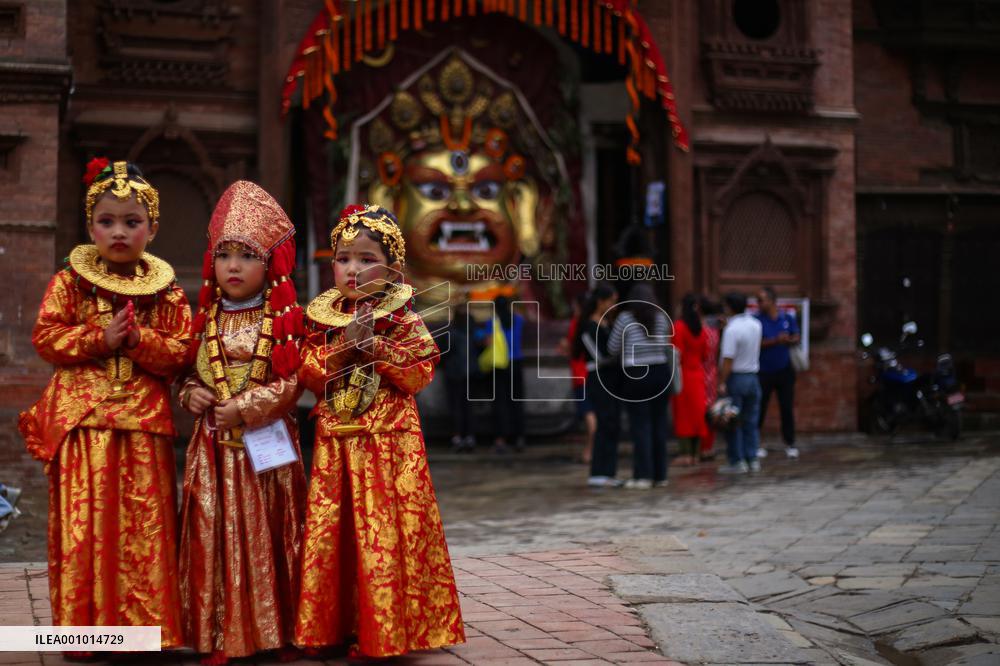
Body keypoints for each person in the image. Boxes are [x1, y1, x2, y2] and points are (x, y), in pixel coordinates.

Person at [18, 158, 190, 650]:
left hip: (143, 426)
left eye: (132, 222)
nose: (119, 232)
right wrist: (99, 337)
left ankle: (143, 636)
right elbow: (46, 338)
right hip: (84, 422)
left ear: (152, 229)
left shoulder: (168, 290)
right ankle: (84, 635)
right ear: (89, 226)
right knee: (85, 529)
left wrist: (137, 341)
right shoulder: (70, 282)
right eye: (107, 221)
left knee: (142, 529)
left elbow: (180, 352)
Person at [295, 205, 464, 658]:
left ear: (393, 269)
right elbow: (307, 373)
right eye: (344, 258)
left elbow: (420, 372)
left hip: (389, 442)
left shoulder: (404, 318)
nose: (352, 269)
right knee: (337, 533)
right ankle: (333, 626)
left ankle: (387, 629)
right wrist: (341, 349)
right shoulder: (322, 319)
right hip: (336, 438)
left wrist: (374, 347)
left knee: (385, 533)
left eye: (366, 259)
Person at [177, 181, 307, 665]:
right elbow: (188, 373)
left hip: (265, 456)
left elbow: (295, 382)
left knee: (270, 538)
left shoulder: (283, 319)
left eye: (247, 256)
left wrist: (248, 408)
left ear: (269, 264)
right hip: (211, 456)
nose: (233, 266)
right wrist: (192, 393)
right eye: (224, 255)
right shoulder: (205, 316)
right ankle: (216, 634)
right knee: (212, 536)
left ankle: (277, 632)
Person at [607, 283, 672, 489]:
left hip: (636, 374)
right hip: (661, 372)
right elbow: (665, 344)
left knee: (640, 426)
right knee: (659, 425)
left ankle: (643, 475)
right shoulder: (662, 317)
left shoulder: (625, 319)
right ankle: (660, 475)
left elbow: (612, 348)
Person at [573, 283, 621, 487]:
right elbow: (598, 355)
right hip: (598, 377)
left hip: (612, 378)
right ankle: (598, 471)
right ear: (601, 301)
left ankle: (609, 471)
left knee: (613, 424)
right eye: (610, 302)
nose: (613, 306)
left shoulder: (606, 324)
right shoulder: (588, 326)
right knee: (602, 424)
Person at [717, 292, 763, 474]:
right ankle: (752, 458)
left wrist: (721, 381)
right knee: (751, 420)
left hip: (736, 377)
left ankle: (737, 460)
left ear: (729, 307)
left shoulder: (732, 330)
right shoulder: (755, 324)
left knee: (732, 421)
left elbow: (728, 359)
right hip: (753, 375)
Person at [755, 286, 801, 459]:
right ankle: (756, 443)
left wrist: (789, 339)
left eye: (762, 300)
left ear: (772, 301)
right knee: (760, 408)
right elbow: (756, 343)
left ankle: (790, 443)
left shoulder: (787, 318)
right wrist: (775, 340)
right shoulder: (757, 321)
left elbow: (796, 336)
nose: (759, 303)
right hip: (764, 370)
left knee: (786, 407)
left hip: (784, 369)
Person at [671, 294, 710, 466]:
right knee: (697, 414)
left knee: (683, 415)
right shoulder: (701, 328)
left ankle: (684, 454)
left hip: (683, 375)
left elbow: (675, 352)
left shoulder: (679, 327)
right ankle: (695, 453)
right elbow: (705, 354)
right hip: (698, 375)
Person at [487, 294, 527, 453]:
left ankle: (501, 438)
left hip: (499, 365)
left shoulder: (492, 322)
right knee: (517, 401)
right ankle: (519, 437)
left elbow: (488, 341)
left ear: (495, 307)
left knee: (500, 402)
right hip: (516, 363)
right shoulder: (518, 320)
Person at [563, 292, 595, 464]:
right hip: (589, 373)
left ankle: (590, 450)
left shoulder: (578, 324)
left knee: (589, 413)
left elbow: (572, 347)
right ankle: (589, 448)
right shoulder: (592, 324)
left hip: (580, 374)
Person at [442, 302, 475, 451]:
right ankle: (469, 437)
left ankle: (457, 438)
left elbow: (444, 353)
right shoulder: (472, 332)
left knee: (455, 406)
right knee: (467, 406)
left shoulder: (451, 333)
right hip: (469, 374)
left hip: (454, 374)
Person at [699, 296, 723, 461]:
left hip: (701, 373)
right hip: (712, 373)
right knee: (711, 410)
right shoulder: (715, 330)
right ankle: (709, 446)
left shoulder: (703, 330)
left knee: (702, 411)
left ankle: (703, 447)